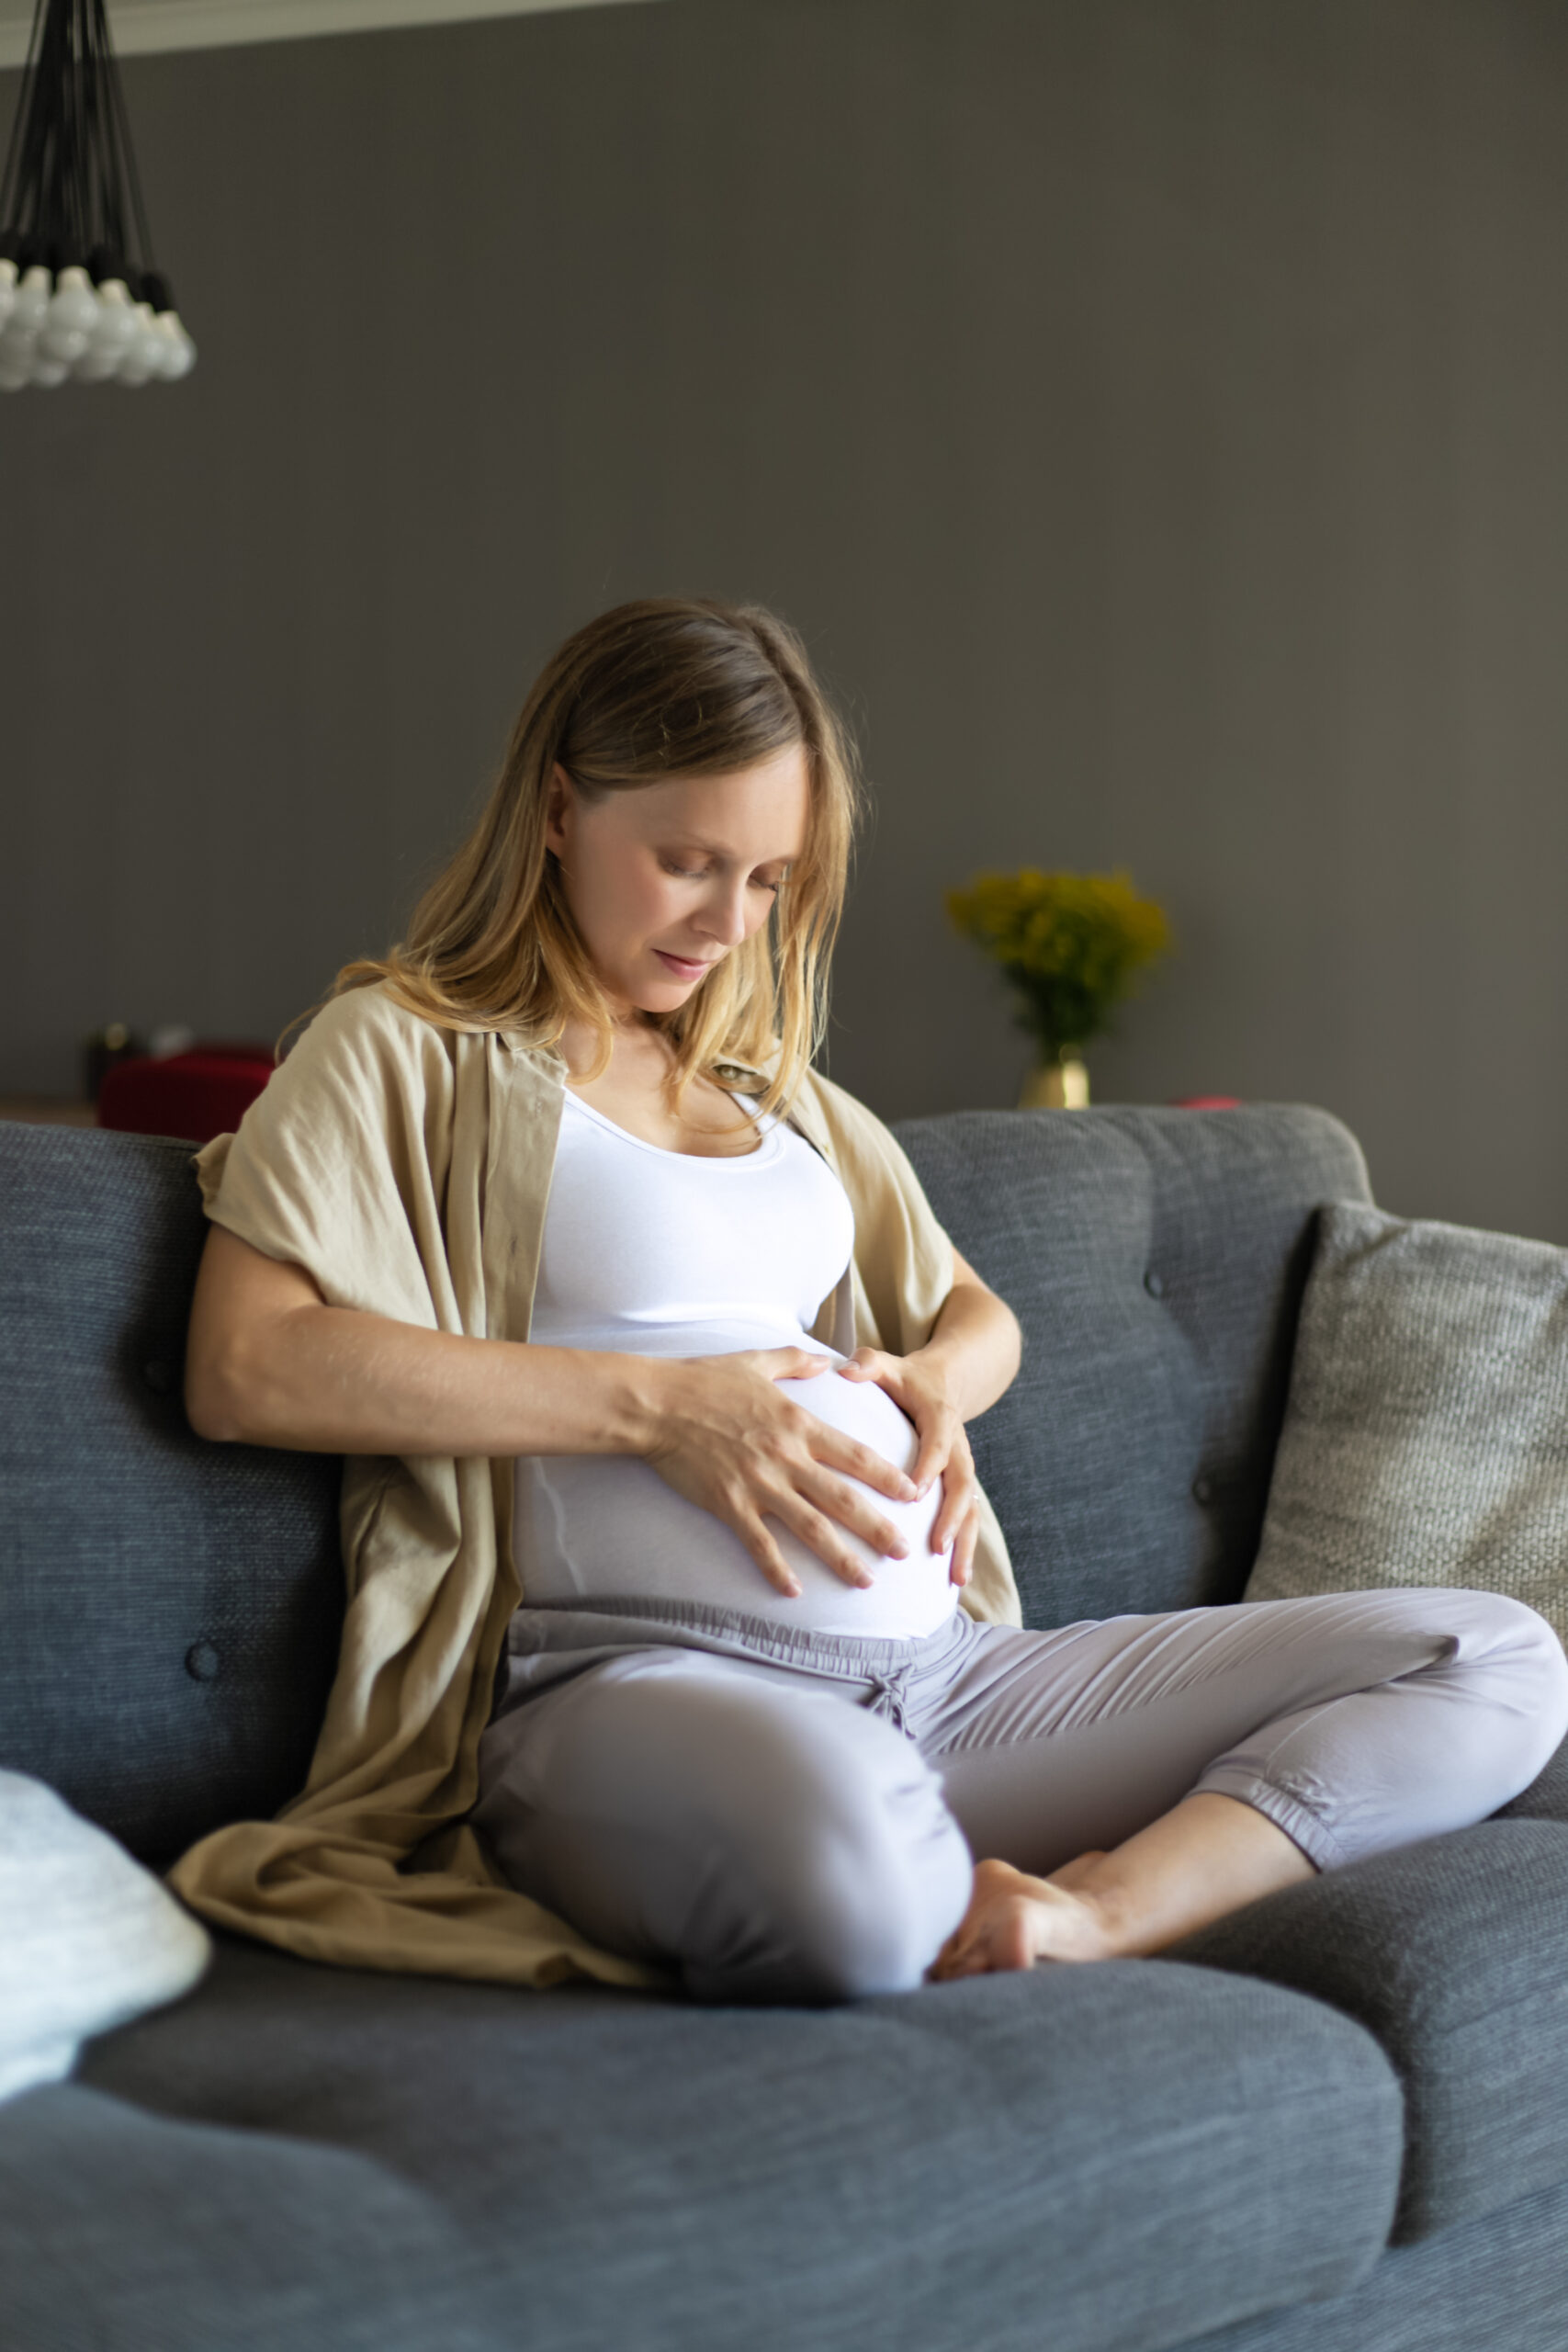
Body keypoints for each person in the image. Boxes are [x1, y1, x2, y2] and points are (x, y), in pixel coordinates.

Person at [183, 596, 1568, 2004]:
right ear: (556, 811)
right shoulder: (407, 1050)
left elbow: (978, 1317)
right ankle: (887, 1856)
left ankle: (1092, 1914)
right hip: (636, 1691)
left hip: (950, 1680)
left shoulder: (778, 1099)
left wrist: (932, 1391)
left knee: (1496, 1658)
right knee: (849, 1891)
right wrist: (663, 1410)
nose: (729, 923)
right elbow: (249, 1365)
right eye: (687, 862)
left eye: (771, 879)